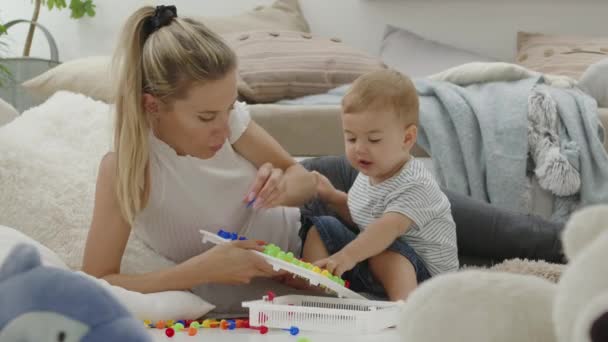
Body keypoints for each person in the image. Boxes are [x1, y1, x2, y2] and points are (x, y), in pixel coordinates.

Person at [81, 5, 317, 300]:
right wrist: (201, 270)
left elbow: (302, 176)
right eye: (206, 118)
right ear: (152, 105)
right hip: (287, 282)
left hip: (313, 230)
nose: (223, 128)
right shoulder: (126, 170)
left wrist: (281, 188)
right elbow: (96, 281)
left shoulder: (229, 122)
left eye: (229, 108)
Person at [300, 70, 458, 301]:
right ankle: (314, 285)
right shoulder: (369, 173)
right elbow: (362, 218)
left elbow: (386, 229)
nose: (359, 149)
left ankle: (404, 313)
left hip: (427, 282)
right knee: (322, 226)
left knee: (386, 251)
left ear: (407, 139)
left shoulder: (416, 185)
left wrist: (345, 256)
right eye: (351, 138)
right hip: (374, 263)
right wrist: (333, 197)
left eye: (373, 140)